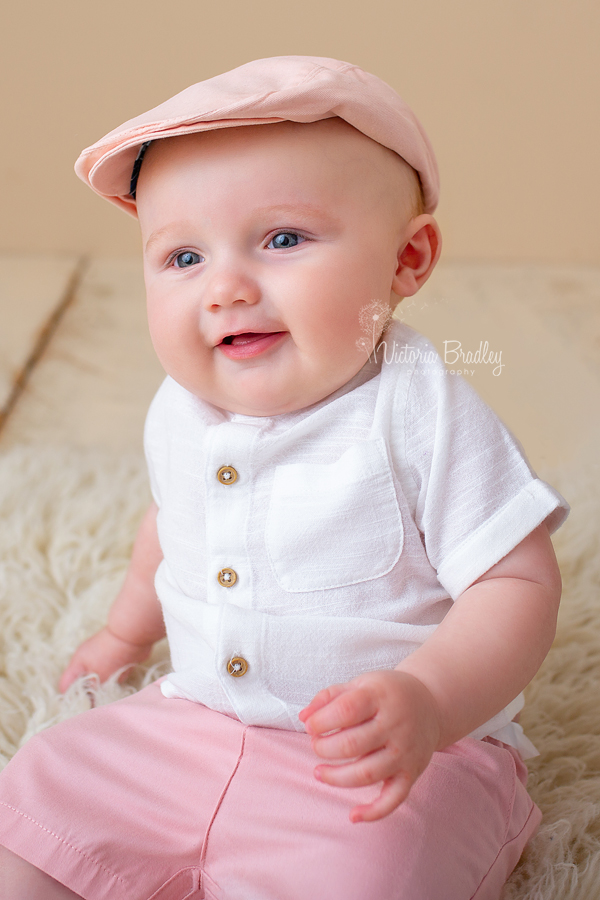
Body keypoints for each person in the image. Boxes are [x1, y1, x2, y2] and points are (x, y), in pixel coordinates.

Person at [0, 56, 569, 900]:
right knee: (39, 789)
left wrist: (431, 700)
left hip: (387, 761)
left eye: (283, 240)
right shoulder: (179, 408)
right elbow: (170, 529)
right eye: (183, 256)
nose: (226, 288)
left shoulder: (418, 408)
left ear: (407, 261)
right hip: (193, 725)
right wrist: (125, 636)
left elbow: (516, 580)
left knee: (379, 871)